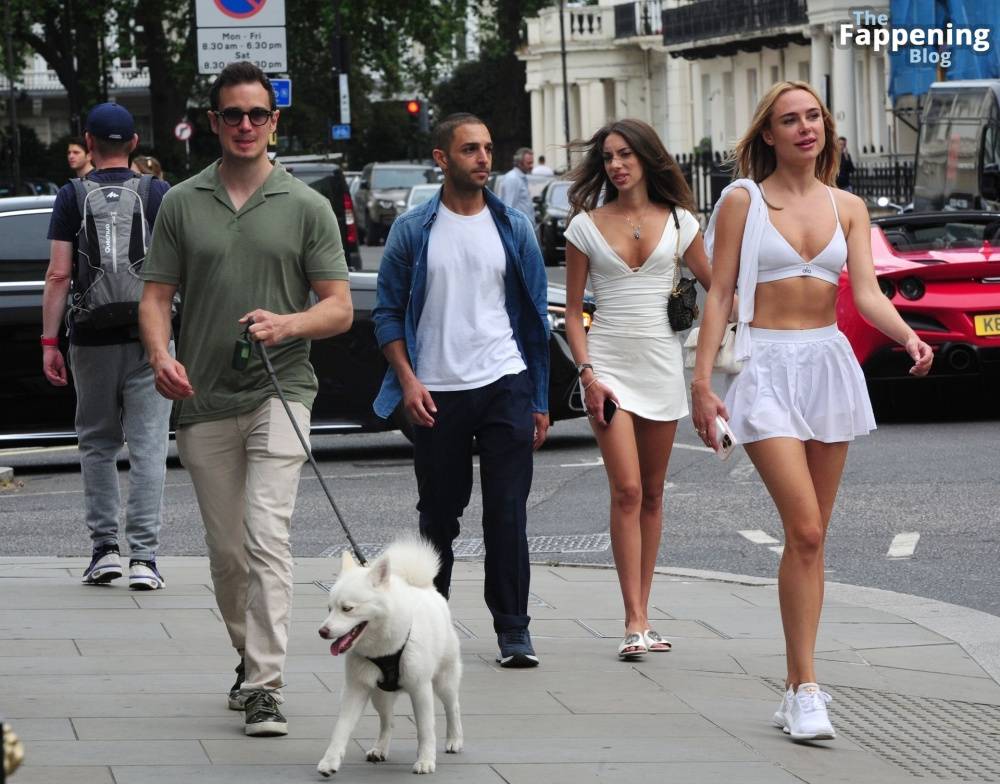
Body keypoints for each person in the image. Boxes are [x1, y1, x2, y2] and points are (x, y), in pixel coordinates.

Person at [690, 81, 932, 741]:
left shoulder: (848, 206)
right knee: (803, 525)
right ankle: (808, 690)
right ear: (767, 134)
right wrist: (701, 381)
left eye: (814, 117)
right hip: (765, 368)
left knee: (811, 537)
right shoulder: (743, 200)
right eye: (790, 120)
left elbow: (867, 291)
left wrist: (908, 334)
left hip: (826, 364)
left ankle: (798, 684)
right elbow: (717, 296)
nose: (805, 128)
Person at [138, 61, 353, 737]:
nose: (245, 125)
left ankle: (265, 683)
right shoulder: (180, 201)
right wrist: (159, 355)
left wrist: (288, 324)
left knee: (267, 535)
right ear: (214, 122)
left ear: (274, 121)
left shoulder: (306, 206)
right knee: (228, 553)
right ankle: (246, 656)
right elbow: (155, 297)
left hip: (281, 390)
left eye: (257, 114)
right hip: (201, 396)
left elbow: (340, 308)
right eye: (232, 114)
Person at [372, 113, 550, 669]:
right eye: (470, 149)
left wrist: (539, 398)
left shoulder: (514, 227)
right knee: (439, 517)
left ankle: (514, 629)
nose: (483, 158)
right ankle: (430, 626)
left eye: (488, 147)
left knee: (506, 514)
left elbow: (535, 321)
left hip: (504, 382)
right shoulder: (413, 229)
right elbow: (386, 316)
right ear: (442, 158)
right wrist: (407, 380)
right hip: (437, 392)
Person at [562, 119, 712, 659]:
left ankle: (646, 616)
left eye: (625, 154)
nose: (616, 165)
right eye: (608, 157)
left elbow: (720, 291)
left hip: (662, 367)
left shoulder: (680, 223)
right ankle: (632, 621)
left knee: (651, 493)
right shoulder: (584, 226)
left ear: (647, 158)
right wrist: (586, 372)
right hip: (608, 370)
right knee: (625, 490)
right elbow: (575, 312)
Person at [42, 102, 172, 591]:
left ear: (89, 143)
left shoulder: (71, 195)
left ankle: (104, 552)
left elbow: (58, 274)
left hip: (91, 338)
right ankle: (145, 558)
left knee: (97, 443)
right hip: (150, 336)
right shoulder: (159, 191)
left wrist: (50, 341)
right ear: (134, 144)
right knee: (149, 446)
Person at [498, 146, 535, 219]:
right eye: (529, 163)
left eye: (532, 163)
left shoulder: (520, 177)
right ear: (519, 163)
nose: (531, 166)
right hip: (518, 228)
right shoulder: (513, 178)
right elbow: (509, 208)